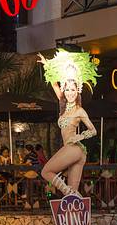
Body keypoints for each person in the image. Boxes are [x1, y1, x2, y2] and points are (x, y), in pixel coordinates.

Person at [37, 50, 99, 197]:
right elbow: (54, 84)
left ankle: (67, 191)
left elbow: (93, 130)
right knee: (72, 195)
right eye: (68, 89)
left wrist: (80, 137)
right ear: (64, 90)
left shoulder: (80, 110)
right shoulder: (62, 106)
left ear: (78, 91)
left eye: (73, 90)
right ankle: (78, 213)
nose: (70, 93)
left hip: (75, 149)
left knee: (46, 171)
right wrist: (47, 65)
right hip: (74, 152)